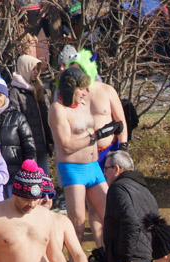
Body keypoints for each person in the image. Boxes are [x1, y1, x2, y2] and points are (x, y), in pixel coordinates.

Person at [49, 66, 117, 247]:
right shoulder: (58, 109)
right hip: (73, 170)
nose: (85, 93)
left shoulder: (84, 105)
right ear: (70, 90)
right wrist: (95, 137)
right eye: (81, 89)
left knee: (110, 215)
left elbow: (93, 129)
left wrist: (108, 131)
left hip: (93, 166)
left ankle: (111, 261)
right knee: (78, 224)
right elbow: (66, 145)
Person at [64, 50, 127, 170]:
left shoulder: (107, 90)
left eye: (78, 71)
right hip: (83, 154)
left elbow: (121, 121)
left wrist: (123, 148)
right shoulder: (70, 98)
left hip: (110, 151)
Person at [0, 74, 36, 200]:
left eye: (0, 95)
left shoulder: (18, 118)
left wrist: (29, 171)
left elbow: (29, 146)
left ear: (5, 95)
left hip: (15, 176)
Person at [8, 54, 53, 175]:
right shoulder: (16, 92)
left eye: (37, 69)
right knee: (31, 179)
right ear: (25, 69)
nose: (36, 72)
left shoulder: (38, 88)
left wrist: (50, 138)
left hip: (42, 143)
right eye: (33, 69)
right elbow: (15, 120)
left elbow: (47, 115)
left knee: (45, 178)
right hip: (27, 146)